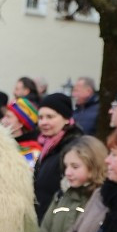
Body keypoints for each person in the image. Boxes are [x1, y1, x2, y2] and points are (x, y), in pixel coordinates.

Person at [33, 92, 84, 220]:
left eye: (50, 117)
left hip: (59, 218)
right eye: (41, 117)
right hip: (43, 216)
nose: (44, 122)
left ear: (66, 118)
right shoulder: (47, 145)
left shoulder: (73, 147)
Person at [0, 98, 42, 169]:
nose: (2, 120)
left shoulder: (33, 151)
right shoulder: (0, 143)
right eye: (4, 116)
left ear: (21, 123)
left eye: (8, 117)